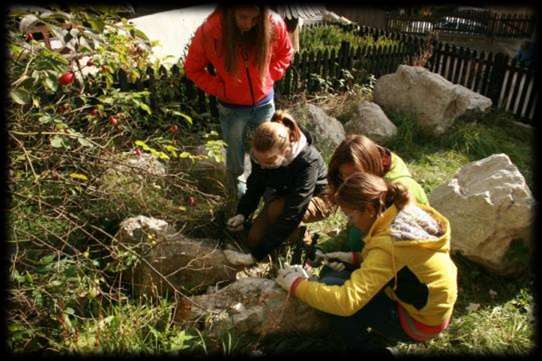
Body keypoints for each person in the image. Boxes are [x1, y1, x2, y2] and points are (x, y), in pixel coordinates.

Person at [275, 172, 458, 352]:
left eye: (351, 217)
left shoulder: (389, 244)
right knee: (335, 277)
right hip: (431, 310)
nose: (351, 223)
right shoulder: (402, 214)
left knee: (331, 286)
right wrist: (354, 258)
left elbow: (346, 302)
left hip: (418, 323)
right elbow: (404, 262)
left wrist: (296, 285)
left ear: (369, 210)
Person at [184, 5, 294, 199]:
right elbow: (193, 69)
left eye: (254, 19)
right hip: (232, 109)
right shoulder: (211, 31)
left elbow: (286, 53)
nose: (249, 25)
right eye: (243, 17)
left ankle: (268, 191)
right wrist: (221, 89)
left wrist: (269, 75)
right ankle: (235, 198)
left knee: (268, 150)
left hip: (264, 105)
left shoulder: (273, 23)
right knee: (235, 156)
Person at [223, 110, 335, 263]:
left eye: (268, 162)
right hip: (284, 195)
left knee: (277, 211)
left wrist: (255, 256)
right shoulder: (263, 155)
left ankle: (302, 242)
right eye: (257, 160)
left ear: (286, 151)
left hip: (320, 198)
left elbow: (294, 211)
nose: (261, 166)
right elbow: (255, 185)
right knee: (254, 239)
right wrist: (242, 213)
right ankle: (284, 239)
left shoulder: (307, 162)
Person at [320, 134, 429, 254]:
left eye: (356, 175)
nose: (350, 182)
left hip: (396, 263)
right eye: (344, 176)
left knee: (333, 273)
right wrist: (325, 249)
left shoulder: (403, 192)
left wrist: (356, 260)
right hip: (371, 256)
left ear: (371, 166)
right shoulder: (367, 184)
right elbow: (355, 226)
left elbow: (404, 250)